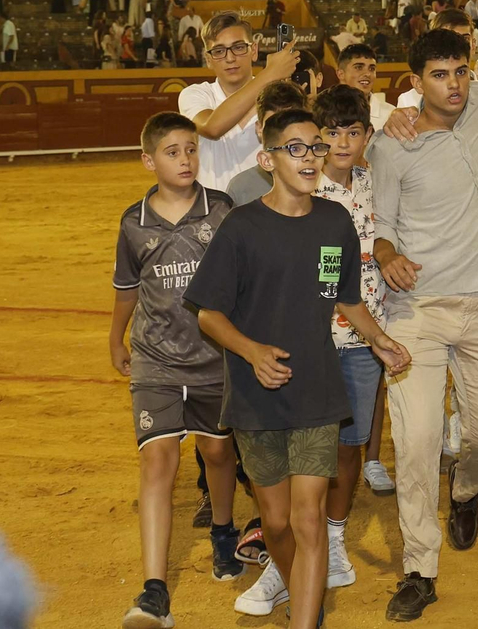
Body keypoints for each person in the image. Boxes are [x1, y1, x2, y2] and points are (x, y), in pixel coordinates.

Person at [186, 108, 410, 629]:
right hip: (256, 394)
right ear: (267, 159)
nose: (310, 156)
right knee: (279, 522)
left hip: (315, 387)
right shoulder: (242, 228)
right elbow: (208, 314)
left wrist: (379, 340)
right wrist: (253, 352)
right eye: (295, 148)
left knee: (309, 519)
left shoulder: (334, 223)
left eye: (315, 146)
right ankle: (297, 589)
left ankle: (305, 620)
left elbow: (341, 296)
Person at [369, 30, 478, 620]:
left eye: (460, 71)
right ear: (416, 83)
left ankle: (465, 488)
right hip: (418, 312)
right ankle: (419, 568)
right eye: (439, 74)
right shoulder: (393, 146)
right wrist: (386, 256)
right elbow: (380, 224)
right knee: (415, 443)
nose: (454, 84)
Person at [111, 113, 241, 629]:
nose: (185, 159)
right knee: (158, 462)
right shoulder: (134, 221)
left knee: (216, 450)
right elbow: (127, 288)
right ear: (148, 160)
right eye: (172, 151)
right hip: (156, 361)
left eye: (191, 149)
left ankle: (224, 533)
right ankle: (154, 590)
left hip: (214, 360)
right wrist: (113, 338)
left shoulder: (223, 210)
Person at [310, 85, 390, 594]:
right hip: (318, 339)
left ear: (366, 135)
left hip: (362, 342)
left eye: (353, 131)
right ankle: (304, 535)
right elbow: (325, 280)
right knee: (307, 446)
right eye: (333, 132)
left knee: (349, 445)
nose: (343, 141)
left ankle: (334, 536)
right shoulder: (307, 188)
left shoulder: (374, 182)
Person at [179, 13, 301, 192]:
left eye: (238, 47)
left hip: (268, 213)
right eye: (219, 51)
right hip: (215, 214)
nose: (230, 58)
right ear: (208, 59)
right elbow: (211, 127)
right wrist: (270, 74)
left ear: (254, 51)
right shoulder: (195, 94)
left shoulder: (279, 98)